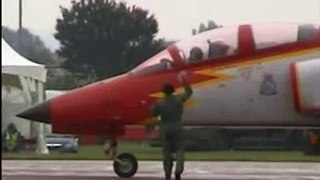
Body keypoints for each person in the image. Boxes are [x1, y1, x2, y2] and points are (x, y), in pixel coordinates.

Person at [149, 71, 193, 180]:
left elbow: (152, 113)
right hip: (177, 126)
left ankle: (167, 174)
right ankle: (178, 170)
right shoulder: (179, 99)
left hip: (165, 128)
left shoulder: (160, 103)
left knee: (167, 153)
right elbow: (189, 92)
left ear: (164, 92)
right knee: (179, 150)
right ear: (173, 91)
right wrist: (184, 81)